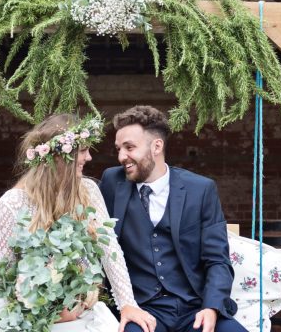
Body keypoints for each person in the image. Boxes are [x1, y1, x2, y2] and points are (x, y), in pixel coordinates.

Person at [0, 113, 157, 332]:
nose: (89, 158)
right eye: (83, 150)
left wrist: (127, 304)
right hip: (32, 317)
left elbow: (109, 250)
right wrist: (34, 309)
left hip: (83, 310)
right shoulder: (12, 204)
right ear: (61, 156)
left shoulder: (88, 191)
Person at [100, 106, 247, 332]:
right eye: (119, 149)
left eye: (130, 148)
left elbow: (217, 260)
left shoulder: (200, 189)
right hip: (142, 309)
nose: (121, 157)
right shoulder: (111, 182)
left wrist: (212, 307)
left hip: (194, 308)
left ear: (157, 146)